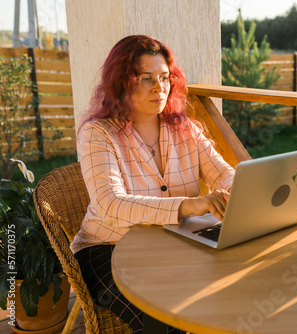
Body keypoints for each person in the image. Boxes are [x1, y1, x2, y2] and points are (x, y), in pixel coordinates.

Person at [71, 35, 235, 334]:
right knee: (166, 319)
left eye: (164, 77)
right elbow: (110, 203)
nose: (159, 87)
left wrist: (240, 187)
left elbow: (224, 173)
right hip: (107, 248)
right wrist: (189, 205)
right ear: (121, 82)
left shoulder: (185, 129)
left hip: (176, 245)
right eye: (146, 78)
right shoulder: (97, 133)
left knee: (231, 293)